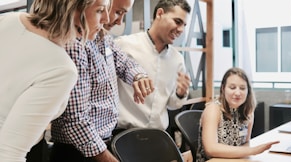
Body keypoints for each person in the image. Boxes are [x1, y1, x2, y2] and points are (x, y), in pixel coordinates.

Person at [0, 0, 107, 161]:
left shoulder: (9, 19)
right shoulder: (61, 69)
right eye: (100, 10)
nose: (106, 18)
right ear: (73, 8)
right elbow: (9, 154)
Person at [50, 0, 153, 162]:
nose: (118, 21)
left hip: (101, 142)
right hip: (78, 151)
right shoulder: (74, 45)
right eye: (118, 12)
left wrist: (138, 76)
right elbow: (75, 120)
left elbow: (125, 63)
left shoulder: (102, 36)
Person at [114, 0, 191, 132]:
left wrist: (180, 93)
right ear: (160, 13)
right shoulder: (124, 45)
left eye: (184, 25)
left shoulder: (177, 60)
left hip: (159, 136)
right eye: (177, 22)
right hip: (123, 134)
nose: (181, 30)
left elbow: (173, 104)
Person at [196, 67, 279, 161]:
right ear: (223, 88)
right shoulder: (213, 109)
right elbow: (210, 149)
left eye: (242, 88)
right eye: (232, 87)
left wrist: (250, 152)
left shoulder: (248, 111)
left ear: (248, 91)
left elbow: (245, 144)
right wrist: (253, 151)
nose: (238, 93)